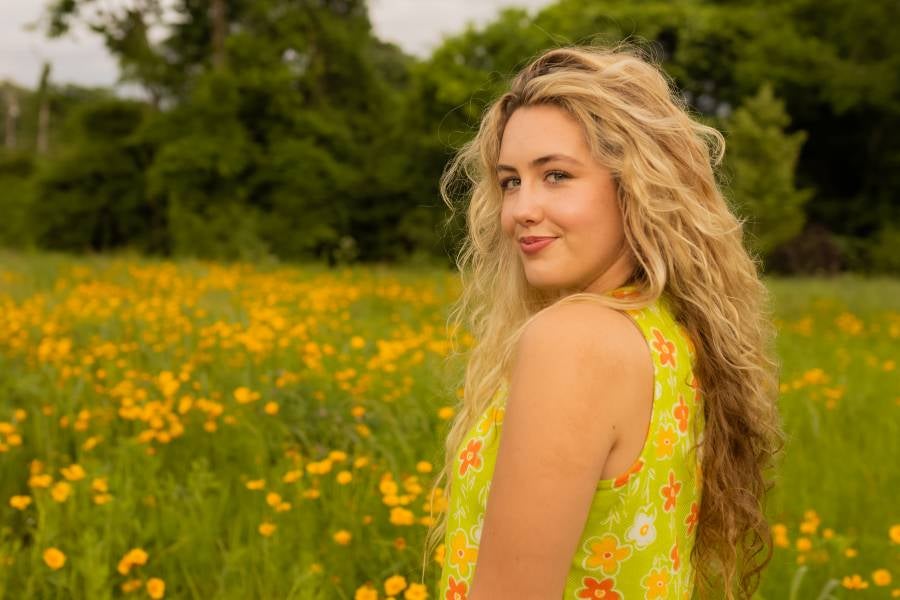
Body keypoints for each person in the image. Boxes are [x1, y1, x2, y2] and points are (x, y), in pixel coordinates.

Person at [422, 44, 784, 600]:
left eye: (557, 175)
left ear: (635, 185)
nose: (520, 209)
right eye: (511, 180)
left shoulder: (574, 341)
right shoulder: (663, 332)